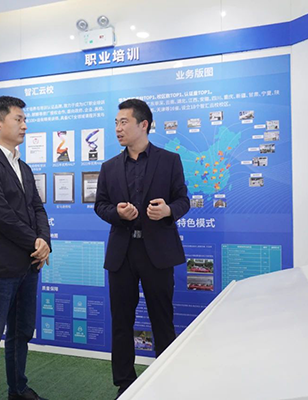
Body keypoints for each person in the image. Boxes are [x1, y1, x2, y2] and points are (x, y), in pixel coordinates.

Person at [95, 98, 190, 398]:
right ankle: (125, 384)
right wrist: (117, 213)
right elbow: (100, 205)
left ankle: (167, 382)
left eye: (124, 122)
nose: (118, 129)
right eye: (116, 123)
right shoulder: (109, 167)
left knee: (162, 320)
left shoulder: (169, 160)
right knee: (121, 322)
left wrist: (168, 211)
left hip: (157, 253)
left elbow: (183, 200)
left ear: (143, 124)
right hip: (122, 254)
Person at [0, 96, 51, 400]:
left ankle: (18, 390)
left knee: (21, 334)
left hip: (28, 265)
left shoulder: (24, 167)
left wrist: (45, 242)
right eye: (18, 119)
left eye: (24, 119)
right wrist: (35, 242)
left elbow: (38, 208)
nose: (24, 125)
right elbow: (1, 216)